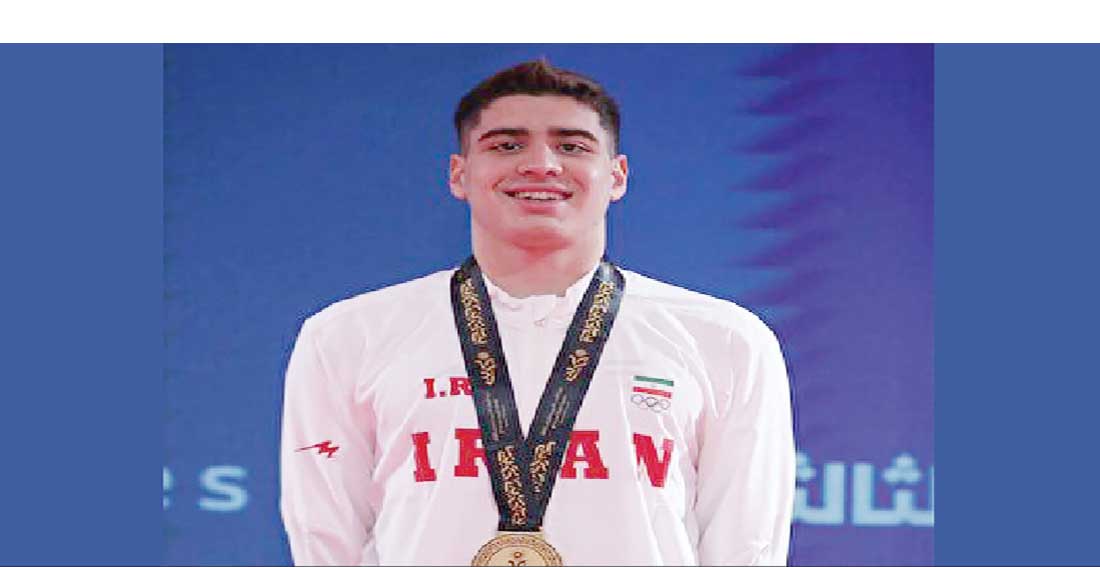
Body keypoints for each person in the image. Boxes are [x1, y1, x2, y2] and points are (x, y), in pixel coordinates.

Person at [280, 59, 795, 566]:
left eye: (572, 146)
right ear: (460, 174)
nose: (541, 164)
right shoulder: (350, 336)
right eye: (507, 145)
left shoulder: (723, 339)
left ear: (616, 176)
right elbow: (326, 541)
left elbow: (746, 547)